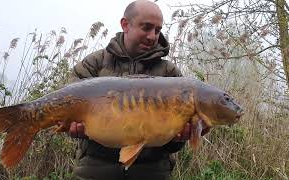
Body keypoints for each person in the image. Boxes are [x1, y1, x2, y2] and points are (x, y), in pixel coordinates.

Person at [62, 1, 209, 179]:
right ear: (125, 24)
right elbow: (65, 104)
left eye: (157, 30)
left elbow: (174, 144)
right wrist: (73, 128)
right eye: (146, 27)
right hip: (94, 168)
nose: (152, 36)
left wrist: (179, 138)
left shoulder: (170, 75)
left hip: (152, 171)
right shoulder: (95, 63)